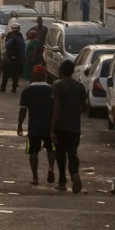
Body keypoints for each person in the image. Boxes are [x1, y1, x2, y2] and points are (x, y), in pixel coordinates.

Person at [51, 58, 90, 194]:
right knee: (72, 153)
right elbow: (85, 107)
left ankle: (62, 181)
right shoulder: (79, 86)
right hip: (74, 126)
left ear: (61, 71)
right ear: (73, 71)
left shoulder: (57, 85)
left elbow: (57, 107)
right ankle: (74, 173)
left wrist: (52, 128)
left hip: (61, 126)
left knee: (60, 154)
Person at [17, 69, 57, 185]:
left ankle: (35, 177)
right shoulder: (51, 90)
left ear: (33, 75)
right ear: (44, 76)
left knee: (33, 152)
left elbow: (23, 110)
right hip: (50, 127)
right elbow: (56, 109)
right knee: (52, 149)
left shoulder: (27, 91)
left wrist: (19, 125)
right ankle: (51, 168)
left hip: (34, 127)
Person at [0, 28, 27, 93]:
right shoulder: (21, 42)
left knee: (5, 75)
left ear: (14, 34)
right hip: (18, 61)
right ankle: (14, 89)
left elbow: (7, 48)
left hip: (8, 61)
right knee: (16, 76)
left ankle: (3, 88)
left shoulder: (11, 40)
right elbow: (23, 51)